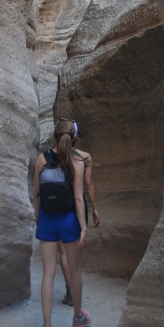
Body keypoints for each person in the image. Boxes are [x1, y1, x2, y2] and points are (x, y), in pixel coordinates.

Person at [34, 118, 92, 327]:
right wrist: (83, 228)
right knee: (75, 271)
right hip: (69, 220)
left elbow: (37, 195)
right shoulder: (77, 162)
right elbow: (78, 199)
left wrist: (38, 219)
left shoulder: (42, 159)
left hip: (48, 220)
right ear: (74, 137)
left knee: (48, 273)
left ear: (54, 136)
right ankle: (78, 318)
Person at [57, 119, 100, 306]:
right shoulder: (85, 157)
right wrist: (95, 207)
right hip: (77, 207)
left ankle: (70, 292)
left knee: (63, 253)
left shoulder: (50, 157)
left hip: (58, 207)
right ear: (76, 137)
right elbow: (88, 185)